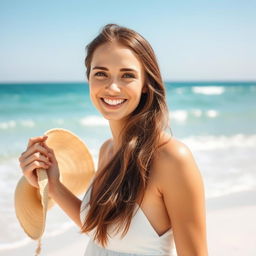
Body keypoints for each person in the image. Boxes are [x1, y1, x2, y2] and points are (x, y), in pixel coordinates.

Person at [18, 24, 208, 256]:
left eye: (127, 75)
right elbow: (104, 234)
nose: (112, 87)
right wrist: (54, 186)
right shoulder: (108, 149)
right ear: (89, 79)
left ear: (146, 83)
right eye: (101, 73)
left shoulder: (172, 158)